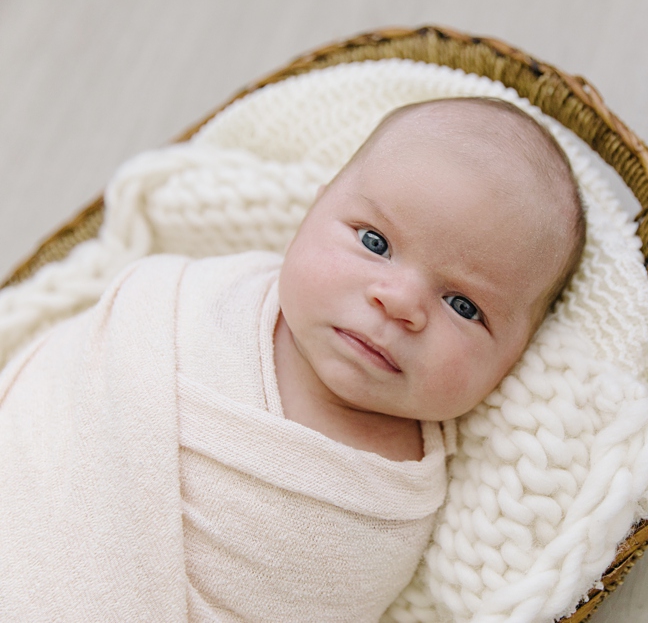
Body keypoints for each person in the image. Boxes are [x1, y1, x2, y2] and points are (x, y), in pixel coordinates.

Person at [0, 97, 585, 621]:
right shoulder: (198, 295)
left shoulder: (386, 508)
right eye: (374, 243)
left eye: (463, 304)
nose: (400, 302)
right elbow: (74, 380)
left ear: (513, 360)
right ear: (311, 212)